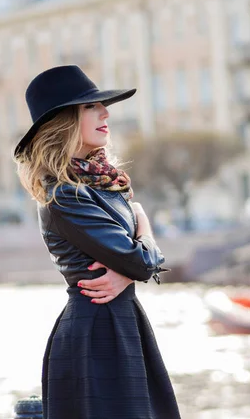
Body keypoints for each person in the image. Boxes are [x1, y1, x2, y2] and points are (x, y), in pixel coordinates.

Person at [13, 65, 181, 419]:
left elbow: (132, 262)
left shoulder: (100, 185)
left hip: (121, 323)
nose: (105, 112)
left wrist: (130, 266)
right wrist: (144, 230)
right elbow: (138, 260)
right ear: (64, 121)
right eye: (91, 106)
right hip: (95, 334)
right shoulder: (64, 195)